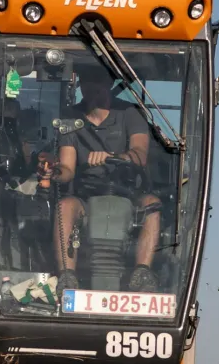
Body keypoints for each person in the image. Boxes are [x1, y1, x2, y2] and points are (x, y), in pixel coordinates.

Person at [53, 63, 162, 293]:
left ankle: (142, 272)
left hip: (130, 195)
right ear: (80, 84)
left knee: (152, 205)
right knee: (64, 206)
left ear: (109, 84)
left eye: (98, 82)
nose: (92, 89)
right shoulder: (71, 118)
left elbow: (140, 155)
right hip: (86, 197)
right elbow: (67, 168)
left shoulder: (130, 114)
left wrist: (113, 157)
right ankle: (67, 276)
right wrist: (53, 171)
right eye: (87, 82)